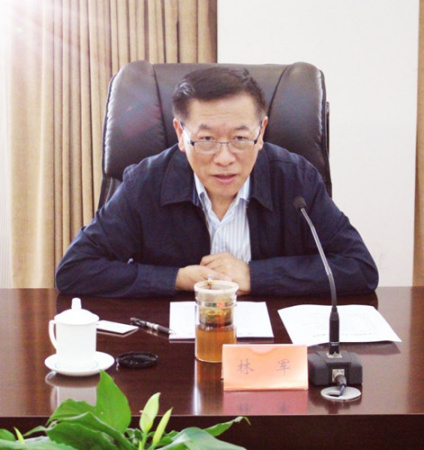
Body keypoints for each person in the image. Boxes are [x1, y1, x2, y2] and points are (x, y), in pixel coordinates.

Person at [55, 67, 378, 298]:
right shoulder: (146, 182)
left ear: (261, 133)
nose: (225, 158)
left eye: (240, 138)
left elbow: (359, 268)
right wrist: (178, 278)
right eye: (207, 140)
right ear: (181, 134)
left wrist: (255, 276)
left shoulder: (295, 179)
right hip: (173, 349)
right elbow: (75, 270)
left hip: (272, 350)